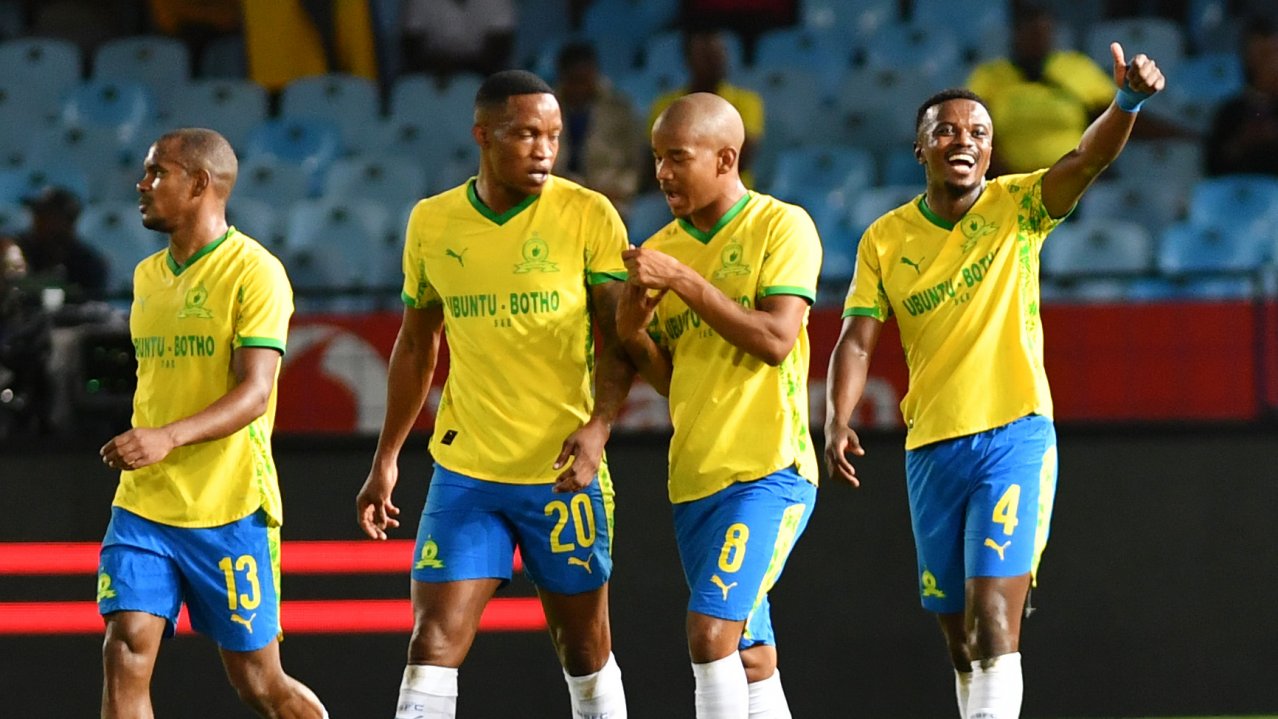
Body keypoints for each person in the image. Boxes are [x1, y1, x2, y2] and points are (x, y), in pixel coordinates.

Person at [825, 44, 1164, 719]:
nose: (964, 140)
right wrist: (837, 418)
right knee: (961, 641)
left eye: (978, 132)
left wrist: (1125, 101)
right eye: (946, 130)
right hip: (931, 448)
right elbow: (856, 340)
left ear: (990, 150)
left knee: (993, 618)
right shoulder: (884, 239)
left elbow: (1086, 159)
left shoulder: (1020, 206)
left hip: (1014, 434)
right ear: (920, 149)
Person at [355, 70, 634, 719]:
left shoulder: (587, 213)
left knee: (584, 650)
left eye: (554, 136)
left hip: (560, 473)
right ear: (483, 135)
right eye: (527, 134)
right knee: (431, 643)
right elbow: (416, 343)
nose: (544, 149)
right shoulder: (433, 222)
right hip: (467, 471)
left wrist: (598, 427)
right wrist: (386, 457)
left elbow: (620, 341)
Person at [96, 128, 327, 718]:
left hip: (229, 504)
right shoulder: (147, 275)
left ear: (199, 183)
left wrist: (167, 437)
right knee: (126, 648)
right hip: (145, 503)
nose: (141, 185)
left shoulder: (256, 272)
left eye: (157, 172)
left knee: (259, 683)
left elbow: (255, 394)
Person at [616, 92, 821, 719]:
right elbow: (669, 378)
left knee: (710, 635)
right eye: (657, 158)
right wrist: (632, 332)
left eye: (677, 157)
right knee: (751, 655)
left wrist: (684, 280)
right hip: (694, 480)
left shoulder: (781, 226)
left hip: (768, 471)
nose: (662, 173)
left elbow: (776, 341)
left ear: (726, 158)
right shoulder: (661, 246)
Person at [964, 2, 1117, 175]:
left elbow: (1112, 114)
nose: (1038, 41)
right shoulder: (990, 75)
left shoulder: (1075, 67)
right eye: (1031, 34)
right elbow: (973, 128)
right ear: (1016, 35)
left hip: (1076, 178)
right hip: (1011, 179)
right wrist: (1007, 178)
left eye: (1044, 33)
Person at [647, 29, 764, 186]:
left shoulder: (747, 102)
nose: (716, 61)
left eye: (720, 53)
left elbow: (741, 158)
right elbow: (656, 160)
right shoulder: (665, 105)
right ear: (688, 60)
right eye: (706, 56)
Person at [555, 40, 645, 217]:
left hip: (613, 198)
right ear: (562, 77)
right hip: (558, 197)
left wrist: (620, 189)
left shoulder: (619, 108)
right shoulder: (547, 108)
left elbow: (637, 162)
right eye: (574, 80)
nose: (580, 87)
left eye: (585, 79)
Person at [1205, 19, 1278, 176]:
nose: (1267, 63)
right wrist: (1241, 142)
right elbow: (1213, 166)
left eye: (1270, 54)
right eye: (1259, 55)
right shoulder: (1230, 111)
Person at [16, 185, 107, 303]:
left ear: (67, 221)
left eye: (46, 215)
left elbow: (92, 304)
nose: (37, 220)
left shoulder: (87, 263)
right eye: (37, 214)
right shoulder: (17, 250)